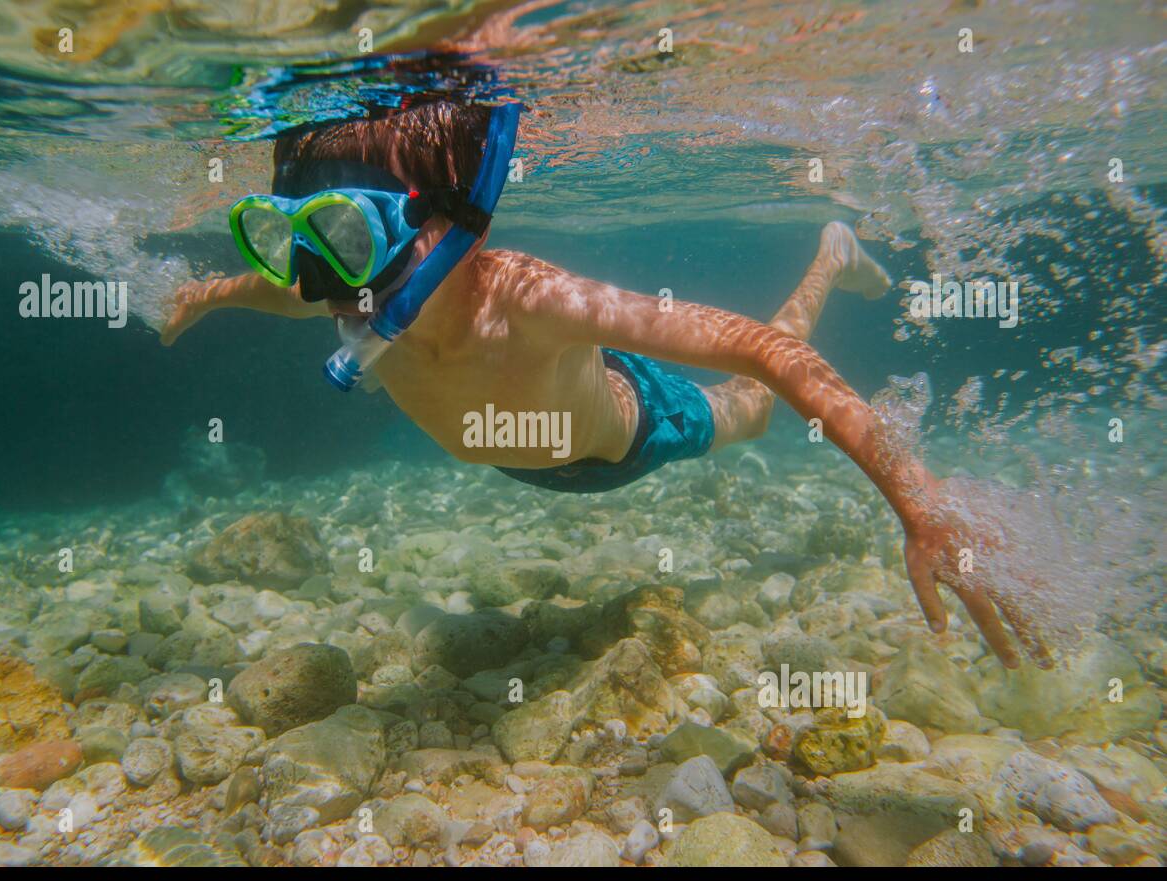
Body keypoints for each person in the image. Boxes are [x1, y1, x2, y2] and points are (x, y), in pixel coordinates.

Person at [162, 100, 1052, 669]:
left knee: (750, 413)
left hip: (627, 432)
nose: (318, 277)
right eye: (285, 234)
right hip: (529, 459)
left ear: (443, 225)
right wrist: (200, 295)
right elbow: (274, 290)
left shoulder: (529, 300)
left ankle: (831, 256)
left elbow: (759, 352)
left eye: (344, 236)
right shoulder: (342, 294)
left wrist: (920, 505)